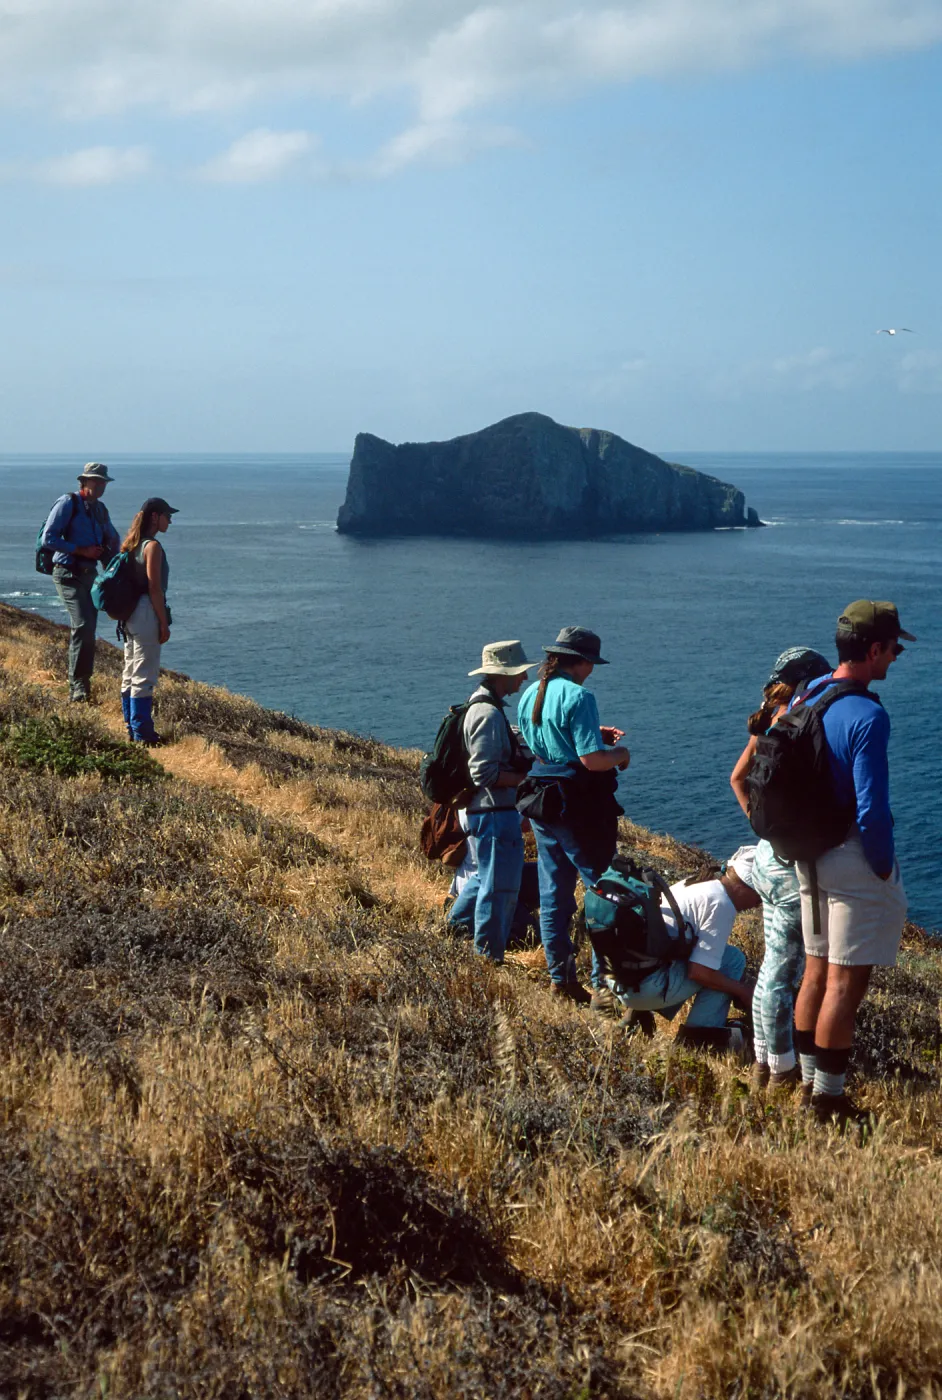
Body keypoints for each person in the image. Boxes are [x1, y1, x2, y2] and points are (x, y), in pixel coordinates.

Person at [791, 600, 913, 1125]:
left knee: (816, 970)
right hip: (850, 857)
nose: (896, 657)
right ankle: (828, 1101)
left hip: (806, 855)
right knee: (846, 982)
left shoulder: (808, 693)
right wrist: (882, 866)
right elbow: (871, 809)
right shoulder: (868, 715)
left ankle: (805, 1082)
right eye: (894, 648)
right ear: (874, 649)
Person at [729, 647, 832, 1090]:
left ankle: (762, 1062)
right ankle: (782, 1068)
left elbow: (737, 778)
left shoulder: (772, 720)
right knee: (782, 975)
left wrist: (763, 826)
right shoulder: (802, 723)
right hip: (791, 867)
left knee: (773, 968)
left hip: (766, 857)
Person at [516, 627, 629, 1005]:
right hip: (579, 806)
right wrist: (621, 755)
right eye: (590, 663)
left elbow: (543, 742)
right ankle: (603, 986)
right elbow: (591, 761)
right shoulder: (580, 696)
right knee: (604, 892)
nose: (591, 671)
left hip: (542, 801)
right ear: (579, 662)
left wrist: (593, 733)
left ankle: (561, 978)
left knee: (553, 893)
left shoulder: (532, 692)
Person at [603, 847, 760, 1052]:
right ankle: (698, 1038)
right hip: (644, 988)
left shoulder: (697, 883)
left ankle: (637, 1013)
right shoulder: (721, 903)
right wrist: (743, 991)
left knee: (720, 956)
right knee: (731, 962)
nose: (758, 904)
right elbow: (700, 973)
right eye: (760, 895)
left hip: (622, 979)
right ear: (744, 886)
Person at [449, 641, 533, 963]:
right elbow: (483, 773)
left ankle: (453, 930)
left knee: (485, 878)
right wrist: (525, 780)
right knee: (498, 889)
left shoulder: (484, 706)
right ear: (503, 674)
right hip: (494, 813)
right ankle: (487, 958)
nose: (524, 678)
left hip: (489, 812)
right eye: (519, 672)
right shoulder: (486, 712)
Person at [41, 463, 121, 702]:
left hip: (89, 575)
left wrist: (119, 565)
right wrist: (80, 550)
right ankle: (77, 687)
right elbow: (48, 538)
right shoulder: (67, 503)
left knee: (89, 628)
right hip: (67, 573)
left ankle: (83, 684)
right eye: (96, 481)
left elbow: (112, 538)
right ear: (84, 481)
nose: (101, 485)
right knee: (84, 625)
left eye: (103, 482)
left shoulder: (100, 509)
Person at [119, 496, 178, 745]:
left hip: (130, 613)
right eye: (167, 516)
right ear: (155, 517)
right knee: (145, 673)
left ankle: (131, 727)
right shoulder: (152, 546)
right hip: (146, 612)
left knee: (131, 671)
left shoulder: (132, 543)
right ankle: (143, 733)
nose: (170, 521)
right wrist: (163, 623)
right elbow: (155, 588)